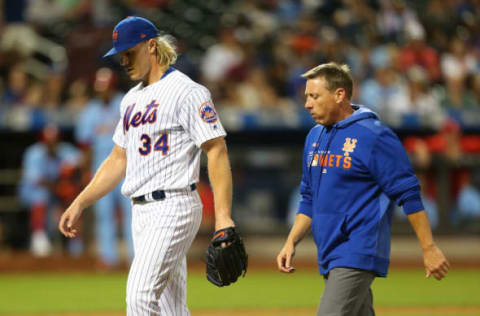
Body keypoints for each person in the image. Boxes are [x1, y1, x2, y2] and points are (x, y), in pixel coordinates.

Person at [58, 16, 236, 315]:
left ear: (151, 46)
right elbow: (118, 159)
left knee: (139, 297)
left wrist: (223, 218)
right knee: (171, 308)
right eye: (120, 55)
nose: (124, 61)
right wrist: (80, 202)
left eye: (130, 52)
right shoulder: (131, 99)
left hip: (174, 204)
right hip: (141, 211)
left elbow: (216, 150)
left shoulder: (187, 91)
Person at [276, 62, 450, 316]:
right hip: (329, 250)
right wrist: (291, 241)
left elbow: (408, 193)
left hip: (359, 248)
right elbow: (308, 197)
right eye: (306, 97)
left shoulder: (374, 136)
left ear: (339, 95)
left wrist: (429, 248)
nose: (307, 104)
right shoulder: (314, 137)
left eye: (314, 96)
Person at [75, 67, 133, 268]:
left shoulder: (125, 103)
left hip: (128, 170)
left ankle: (136, 258)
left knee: (132, 215)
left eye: (105, 87)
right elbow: (85, 145)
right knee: (104, 215)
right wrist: (86, 173)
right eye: (99, 88)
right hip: (101, 171)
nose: (102, 91)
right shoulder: (90, 111)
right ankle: (109, 258)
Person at [19, 125, 81, 257]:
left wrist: (70, 173)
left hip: (57, 190)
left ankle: (75, 241)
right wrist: (59, 187)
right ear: (43, 141)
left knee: (74, 196)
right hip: (33, 191)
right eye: (48, 141)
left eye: (54, 140)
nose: (51, 144)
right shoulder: (34, 153)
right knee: (40, 195)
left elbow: (81, 163)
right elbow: (37, 180)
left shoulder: (65, 150)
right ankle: (39, 237)